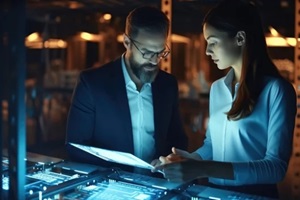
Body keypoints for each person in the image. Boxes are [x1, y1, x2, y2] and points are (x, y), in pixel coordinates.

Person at [153, 0, 296, 198]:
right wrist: (188, 160)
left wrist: (203, 169)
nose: (207, 51)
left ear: (239, 38)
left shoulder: (276, 91)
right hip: (213, 193)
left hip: (254, 195)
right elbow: (212, 145)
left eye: (213, 42)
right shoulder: (217, 89)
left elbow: (275, 168)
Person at [65, 6, 188, 171]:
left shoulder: (168, 85)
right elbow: (76, 148)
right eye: (146, 52)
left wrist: (172, 160)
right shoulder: (92, 84)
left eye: (160, 52)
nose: (154, 61)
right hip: (110, 187)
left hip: (158, 185)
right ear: (127, 42)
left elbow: (178, 140)